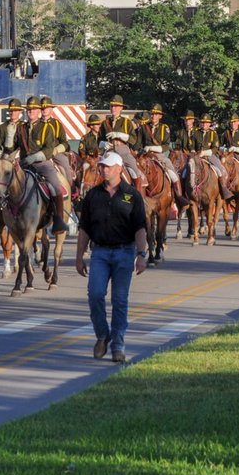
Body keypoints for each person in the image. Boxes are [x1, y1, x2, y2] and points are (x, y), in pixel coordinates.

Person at [75, 151, 148, 364]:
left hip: (125, 252)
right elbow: (84, 229)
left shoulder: (132, 195)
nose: (103, 169)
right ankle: (102, 334)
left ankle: (118, 344)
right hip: (99, 252)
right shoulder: (93, 195)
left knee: (119, 300)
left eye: (107, 166)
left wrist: (141, 255)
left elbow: (140, 227)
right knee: (95, 294)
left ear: (119, 169)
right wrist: (79, 257)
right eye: (102, 166)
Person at [27, 96, 72, 233]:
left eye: (48, 107)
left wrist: (56, 151)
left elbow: (65, 143)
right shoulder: (33, 124)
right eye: (43, 107)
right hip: (34, 156)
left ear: (51, 109)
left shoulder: (57, 124)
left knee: (64, 164)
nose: (45, 109)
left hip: (54, 153)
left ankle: (71, 192)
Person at [141, 104, 189, 207]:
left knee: (173, 175)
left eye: (156, 114)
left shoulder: (164, 128)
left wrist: (153, 148)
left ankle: (179, 197)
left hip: (159, 155)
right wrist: (142, 150)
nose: (153, 116)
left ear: (160, 116)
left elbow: (166, 145)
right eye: (152, 114)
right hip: (145, 155)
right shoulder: (144, 127)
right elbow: (138, 143)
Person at [102, 95, 143, 184]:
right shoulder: (105, 123)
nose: (113, 108)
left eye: (116, 106)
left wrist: (119, 135)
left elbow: (133, 139)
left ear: (121, 108)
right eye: (111, 106)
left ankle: (138, 196)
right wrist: (103, 144)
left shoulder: (126, 122)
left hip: (123, 151)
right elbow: (99, 140)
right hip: (109, 151)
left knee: (135, 171)